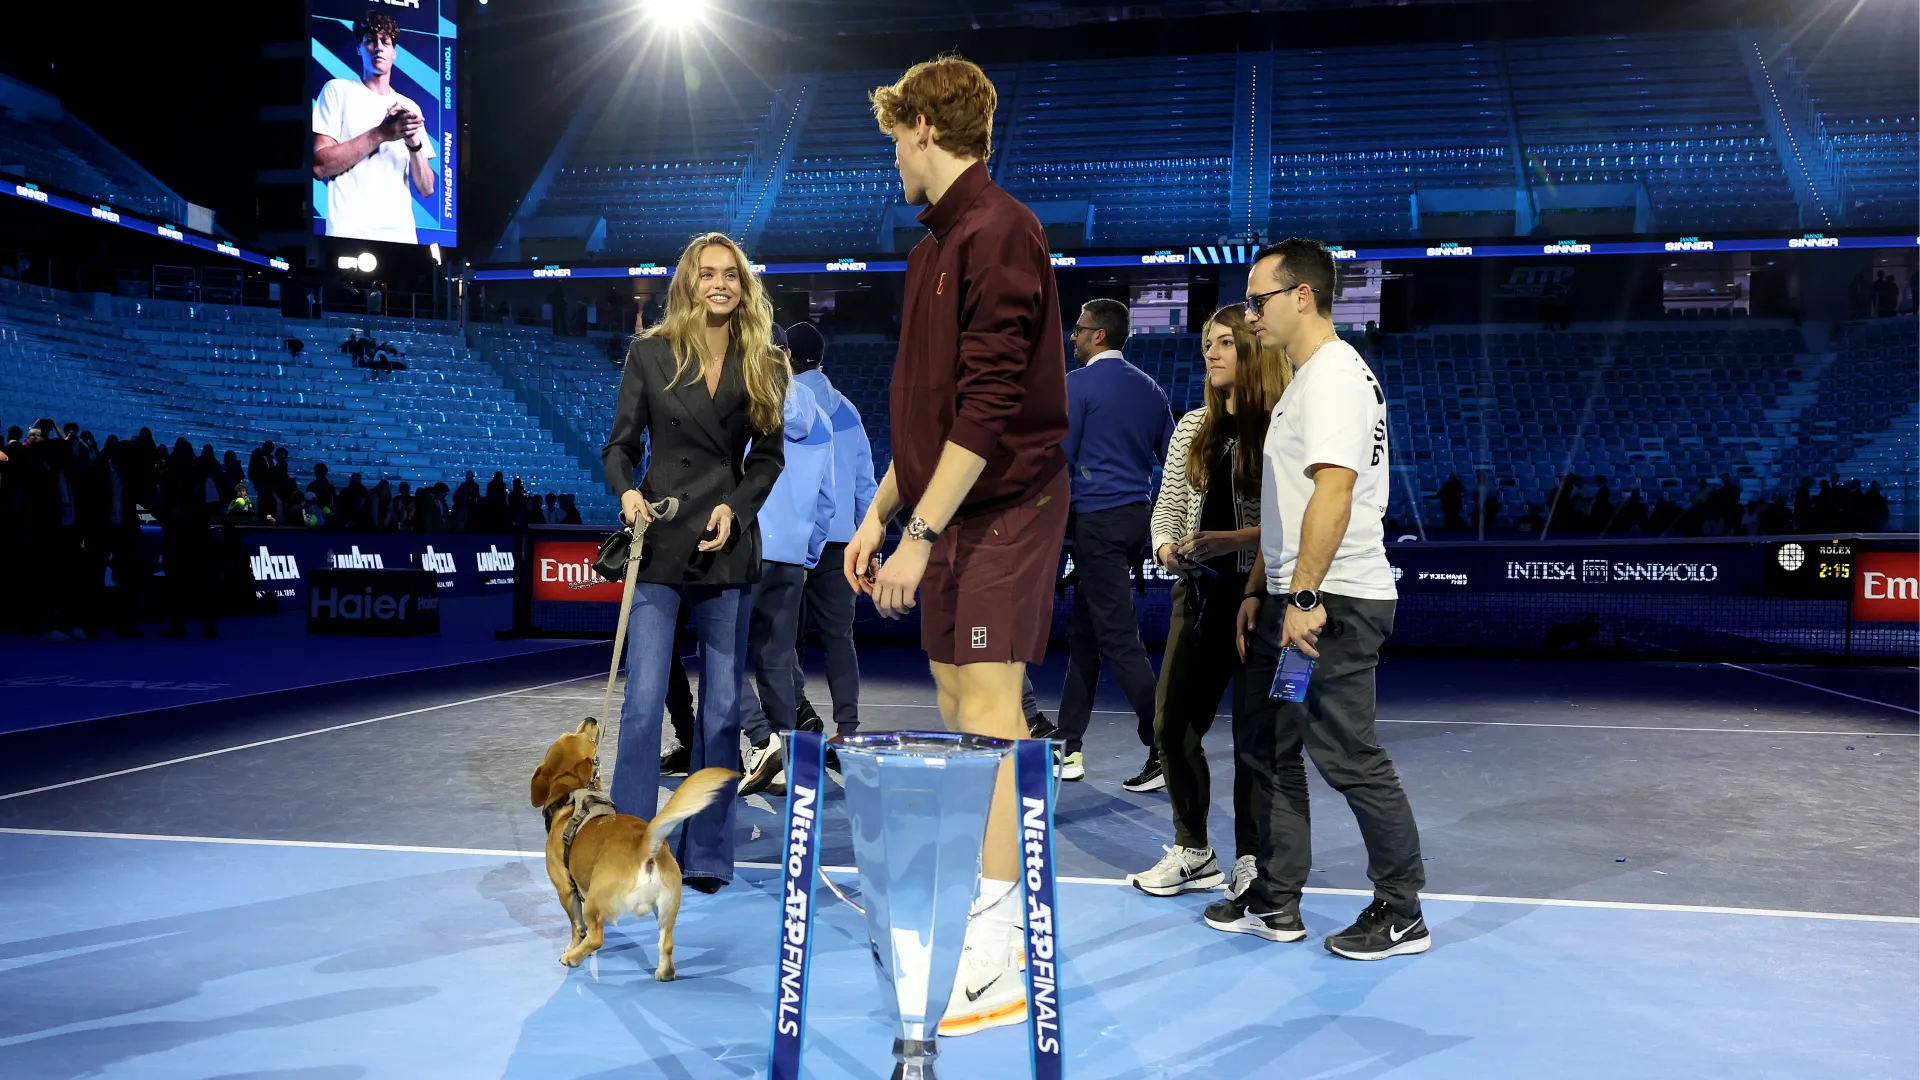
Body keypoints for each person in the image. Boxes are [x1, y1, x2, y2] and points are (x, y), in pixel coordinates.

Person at [847, 55, 1070, 1037]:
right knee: (950, 690)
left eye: (897, 130)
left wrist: (921, 531)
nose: (891, 150)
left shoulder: (1000, 229)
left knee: (987, 703)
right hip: (952, 504)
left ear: (927, 128)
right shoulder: (934, 245)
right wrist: (879, 512)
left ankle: (1002, 942)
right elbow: (930, 416)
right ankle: (983, 904)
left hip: (1007, 505)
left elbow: (987, 406)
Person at [1205, 237, 1429, 962]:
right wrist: (1262, 588)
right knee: (1275, 748)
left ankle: (1401, 910)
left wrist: (1300, 595)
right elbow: (1291, 501)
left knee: (1348, 754)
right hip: (1299, 596)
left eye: (1259, 299)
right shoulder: (1311, 377)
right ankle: (1276, 900)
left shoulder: (1333, 377)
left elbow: (1333, 493)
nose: (1251, 314)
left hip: (1331, 602)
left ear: (1302, 296)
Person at [602, 231, 788, 894]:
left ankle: (708, 854)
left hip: (727, 547)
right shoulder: (649, 353)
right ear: (689, 281)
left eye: (731, 275)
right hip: (659, 543)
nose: (720, 284)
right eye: (708, 273)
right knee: (645, 703)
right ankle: (630, 850)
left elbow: (766, 460)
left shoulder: (763, 359)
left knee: (719, 715)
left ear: (743, 286)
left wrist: (735, 509)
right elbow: (619, 447)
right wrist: (626, 492)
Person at [1130, 304, 1287, 901]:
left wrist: (1233, 541)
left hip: (1261, 600)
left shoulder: (1280, 426)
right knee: (1171, 726)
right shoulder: (1191, 425)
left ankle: (1251, 857)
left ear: (1253, 350)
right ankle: (1193, 849)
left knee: (1254, 738)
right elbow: (1167, 508)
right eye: (1207, 343)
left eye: (1225, 342)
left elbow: (1289, 520)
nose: (1212, 352)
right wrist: (1168, 550)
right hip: (1197, 595)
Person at [1053, 298, 1174, 788]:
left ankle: (1165, 745)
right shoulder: (1150, 388)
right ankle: (1068, 744)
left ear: (1098, 335)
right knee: (1087, 633)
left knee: (1118, 638)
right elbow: (1172, 455)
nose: (1073, 337)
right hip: (1134, 520)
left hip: (1096, 522)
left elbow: (1059, 461)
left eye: (1079, 330)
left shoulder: (1076, 385)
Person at [739, 325, 839, 796]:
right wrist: (808, 554)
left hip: (743, 546)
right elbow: (828, 499)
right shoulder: (819, 414)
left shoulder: (744, 400)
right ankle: (786, 763)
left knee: (722, 659)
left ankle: (761, 742)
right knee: (778, 661)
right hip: (791, 558)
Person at [786, 321, 876, 740]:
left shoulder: (783, 404)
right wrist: (868, 543)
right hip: (841, 542)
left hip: (790, 540)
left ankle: (796, 717)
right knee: (840, 638)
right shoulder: (848, 410)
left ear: (786, 356)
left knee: (783, 637)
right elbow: (865, 485)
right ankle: (849, 728)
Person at [311, 11, 436, 244]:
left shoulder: (409, 107)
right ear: (359, 48)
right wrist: (381, 133)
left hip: (402, 238)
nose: (378, 47)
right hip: (348, 234)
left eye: (385, 42)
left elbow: (427, 188)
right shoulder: (337, 91)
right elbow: (320, 167)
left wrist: (414, 144)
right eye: (370, 41)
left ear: (394, 52)